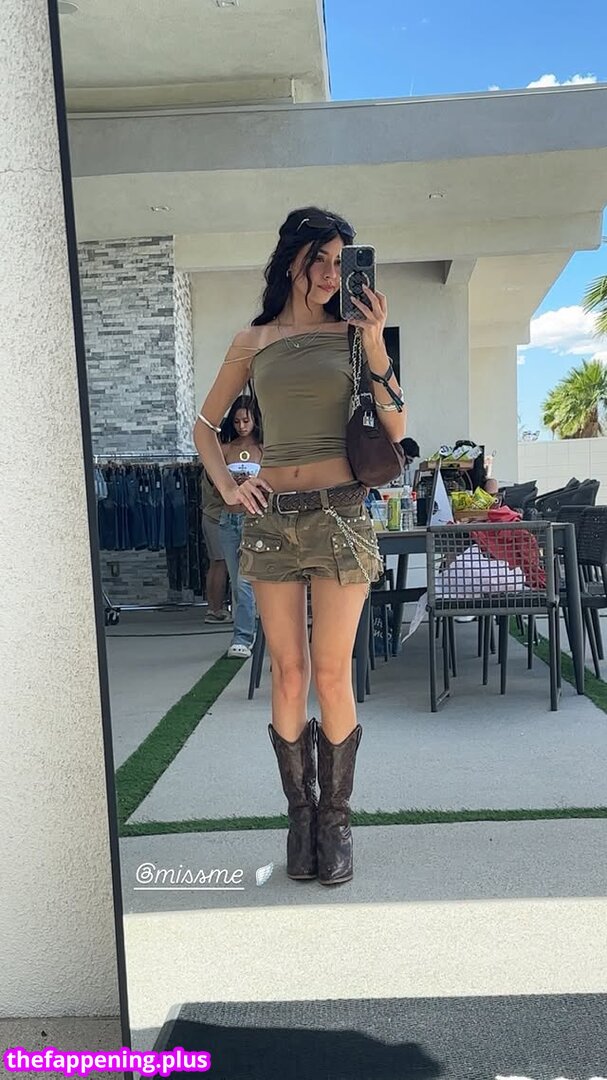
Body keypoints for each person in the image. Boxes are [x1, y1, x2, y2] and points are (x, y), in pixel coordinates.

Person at [193, 207, 406, 886]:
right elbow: (204, 425)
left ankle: (336, 822)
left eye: (343, 262)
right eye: (323, 259)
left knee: (332, 673)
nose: (333, 274)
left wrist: (375, 342)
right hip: (271, 523)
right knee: (288, 674)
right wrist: (231, 486)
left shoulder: (353, 335)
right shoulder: (252, 340)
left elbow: (395, 427)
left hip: (341, 516)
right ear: (293, 259)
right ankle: (300, 820)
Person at [219, 396, 263, 659]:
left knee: (244, 580)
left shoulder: (263, 449)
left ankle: (243, 636)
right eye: (236, 421)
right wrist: (230, 482)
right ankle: (250, 630)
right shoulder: (225, 449)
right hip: (228, 519)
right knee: (238, 583)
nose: (241, 426)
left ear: (255, 420)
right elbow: (215, 485)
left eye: (246, 420)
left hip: (254, 519)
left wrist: (252, 481)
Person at [201, 469, 230, 624]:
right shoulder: (216, 469)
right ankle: (216, 609)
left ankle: (213, 608)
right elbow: (219, 491)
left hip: (211, 515)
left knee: (216, 563)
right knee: (220, 564)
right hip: (217, 517)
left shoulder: (210, 467)